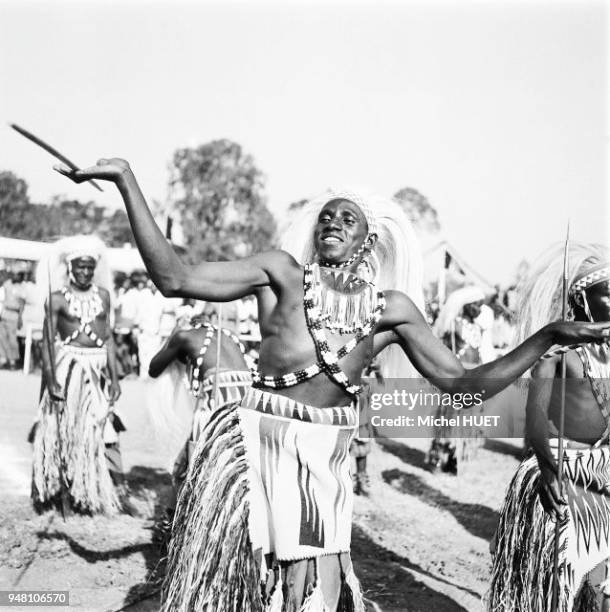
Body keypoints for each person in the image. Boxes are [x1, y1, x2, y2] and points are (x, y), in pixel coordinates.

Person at [55, 157, 610, 611]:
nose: (333, 222)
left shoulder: (390, 312)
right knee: (234, 584)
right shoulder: (280, 275)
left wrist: (545, 338)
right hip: (254, 448)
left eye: (348, 219)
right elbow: (175, 279)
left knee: (307, 597)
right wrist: (127, 180)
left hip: (325, 463)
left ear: (368, 242)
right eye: (327, 216)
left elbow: (464, 388)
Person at [488, 243, 610, 611]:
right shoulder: (557, 355)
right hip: (560, 469)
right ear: (583, 302)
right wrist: (546, 465)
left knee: (598, 582)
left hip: (601, 475)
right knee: (559, 579)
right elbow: (536, 419)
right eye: (609, 293)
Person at [30, 235, 126, 515]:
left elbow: (108, 338)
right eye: (80, 267)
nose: (85, 272)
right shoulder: (57, 298)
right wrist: (50, 379)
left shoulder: (104, 296)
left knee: (96, 429)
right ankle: (56, 489)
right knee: (62, 428)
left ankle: (90, 489)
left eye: (89, 268)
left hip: (97, 372)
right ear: (69, 267)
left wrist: (116, 378)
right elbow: (47, 341)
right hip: (67, 367)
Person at [147, 314, 252, 540]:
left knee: (194, 468)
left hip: (216, 401)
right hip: (246, 400)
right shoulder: (227, 336)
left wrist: (173, 338)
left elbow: (153, 368)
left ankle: (189, 529)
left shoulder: (185, 336)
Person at [426, 286, 493, 474]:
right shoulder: (452, 324)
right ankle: (438, 459)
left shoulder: (479, 328)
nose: (479, 310)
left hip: (472, 381)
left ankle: (453, 460)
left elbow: (480, 353)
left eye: (481, 306)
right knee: (447, 421)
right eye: (476, 305)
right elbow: (439, 348)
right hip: (455, 381)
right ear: (465, 305)